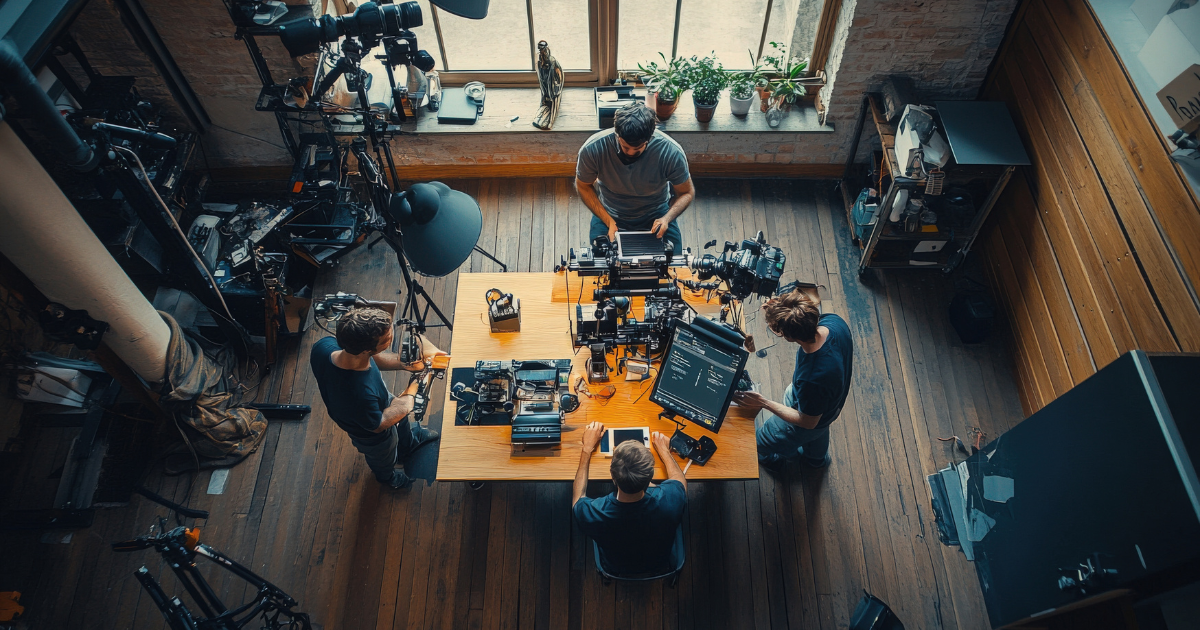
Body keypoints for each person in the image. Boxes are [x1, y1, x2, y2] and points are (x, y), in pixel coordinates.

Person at [310, 307, 444, 489]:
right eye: (387, 339)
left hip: (373, 401)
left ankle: (409, 443)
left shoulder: (325, 346)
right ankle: (387, 477)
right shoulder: (358, 393)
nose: (392, 338)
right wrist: (414, 388)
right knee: (383, 455)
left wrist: (403, 365)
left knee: (401, 417)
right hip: (370, 431)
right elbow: (378, 424)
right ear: (366, 349)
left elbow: (372, 358)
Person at [733, 289, 853, 473]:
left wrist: (763, 402)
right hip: (830, 407)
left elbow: (808, 422)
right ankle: (815, 461)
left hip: (808, 417)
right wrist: (782, 307)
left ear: (789, 337)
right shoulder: (834, 322)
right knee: (820, 430)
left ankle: (774, 461)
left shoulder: (812, 378)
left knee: (758, 442)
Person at [575, 102, 695, 254]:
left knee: (673, 263)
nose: (630, 154)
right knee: (601, 261)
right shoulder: (593, 148)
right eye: (625, 148)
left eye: (637, 149)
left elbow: (686, 192)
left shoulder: (670, 152)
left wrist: (666, 218)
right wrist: (608, 221)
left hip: (656, 215)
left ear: (649, 138)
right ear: (617, 134)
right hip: (610, 213)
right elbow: (583, 186)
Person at [572, 421, 687, 577]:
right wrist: (664, 451)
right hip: (660, 563)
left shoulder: (595, 512)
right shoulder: (670, 500)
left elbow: (578, 498)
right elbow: (679, 481)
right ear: (650, 479)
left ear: (613, 477)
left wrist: (586, 449)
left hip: (615, 567)